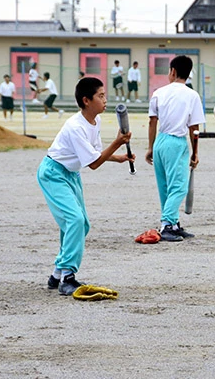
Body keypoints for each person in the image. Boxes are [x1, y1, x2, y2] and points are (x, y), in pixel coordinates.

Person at [37, 77, 135, 296]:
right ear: (86, 100)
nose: (105, 100)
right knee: (75, 221)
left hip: (70, 174)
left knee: (81, 225)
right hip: (53, 173)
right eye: (100, 96)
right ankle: (67, 278)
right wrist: (117, 143)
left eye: (104, 95)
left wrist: (117, 156)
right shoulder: (75, 127)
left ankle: (57, 274)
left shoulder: (95, 121)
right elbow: (93, 164)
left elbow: (95, 154)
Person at [145, 55, 206, 242]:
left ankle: (174, 223)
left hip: (160, 141)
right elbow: (194, 129)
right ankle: (167, 224)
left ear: (172, 71)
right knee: (179, 187)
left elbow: (152, 121)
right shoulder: (192, 95)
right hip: (176, 142)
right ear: (188, 75)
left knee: (165, 186)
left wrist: (150, 147)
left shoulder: (158, 93)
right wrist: (195, 153)